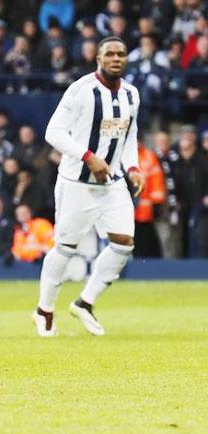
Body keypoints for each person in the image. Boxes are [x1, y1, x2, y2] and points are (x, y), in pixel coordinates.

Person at [33, 36, 144, 337]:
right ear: (98, 57)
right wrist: (88, 156)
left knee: (124, 244)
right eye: (110, 54)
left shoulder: (132, 95)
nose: (116, 58)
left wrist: (133, 167)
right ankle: (44, 310)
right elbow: (53, 132)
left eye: (121, 53)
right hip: (76, 183)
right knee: (66, 248)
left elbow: (130, 136)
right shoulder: (81, 90)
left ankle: (85, 302)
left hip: (113, 183)